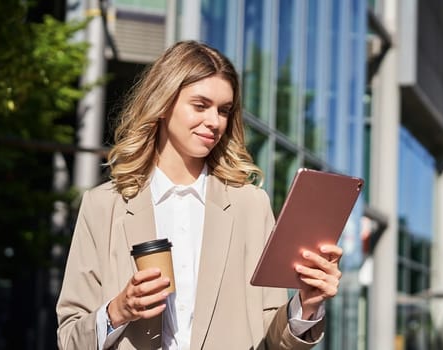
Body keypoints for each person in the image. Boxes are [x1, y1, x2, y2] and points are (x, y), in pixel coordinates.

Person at [56, 40, 343, 349]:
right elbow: (70, 338)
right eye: (200, 105)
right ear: (164, 103)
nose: (214, 122)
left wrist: (307, 305)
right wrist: (118, 310)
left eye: (224, 110)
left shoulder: (249, 205)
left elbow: (272, 338)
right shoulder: (104, 205)